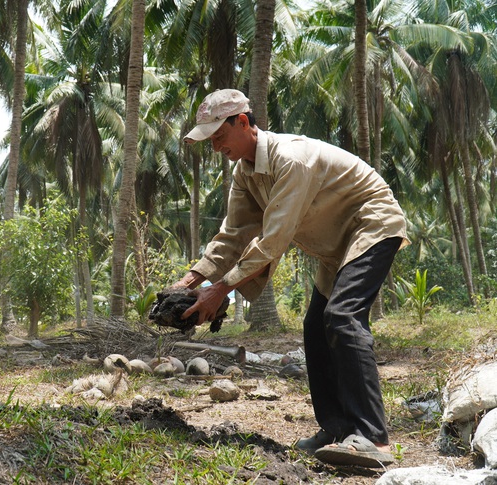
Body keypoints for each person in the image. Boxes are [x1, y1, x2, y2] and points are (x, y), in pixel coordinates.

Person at [173, 88, 408, 468]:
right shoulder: (244, 172)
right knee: (316, 326)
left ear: (244, 123)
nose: (216, 147)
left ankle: (372, 439)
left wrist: (220, 291)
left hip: (372, 225)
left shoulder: (292, 159)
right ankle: (335, 430)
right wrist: (188, 282)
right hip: (338, 246)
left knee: (343, 318)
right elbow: (233, 234)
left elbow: (273, 240)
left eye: (219, 136)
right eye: (209, 141)